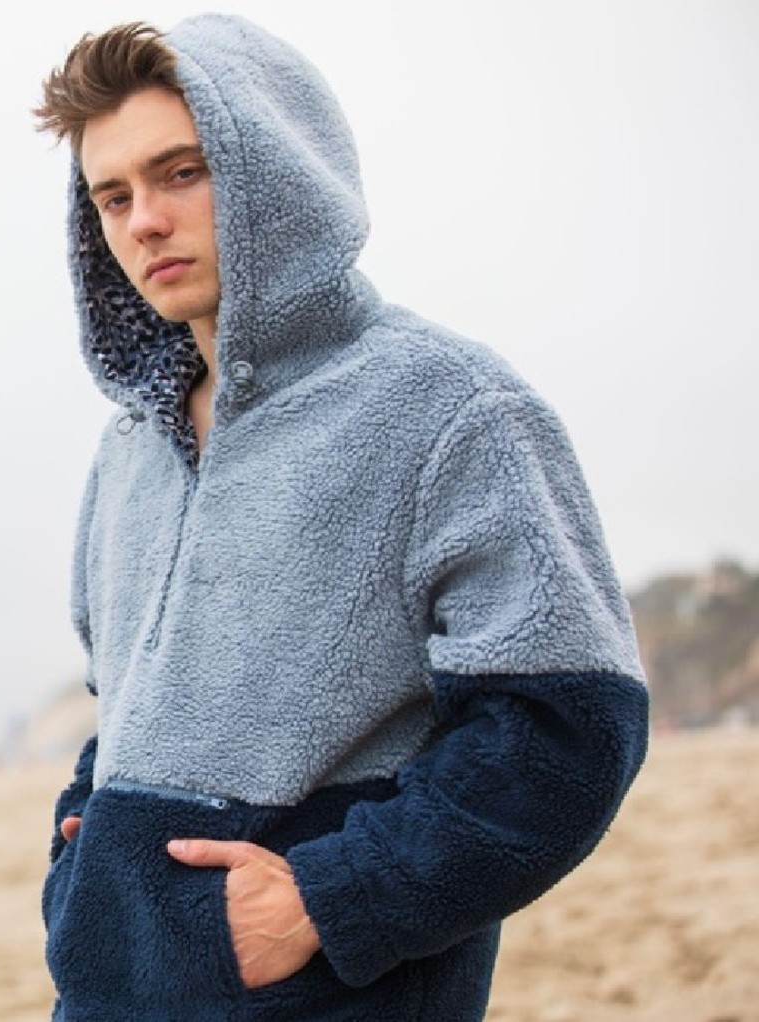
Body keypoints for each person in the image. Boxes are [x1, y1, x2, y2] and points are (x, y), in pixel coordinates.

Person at [33, 14, 649, 1022]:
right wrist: (80, 854)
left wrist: (331, 897)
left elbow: (566, 732)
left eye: (180, 171)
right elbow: (121, 712)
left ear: (274, 166)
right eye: (113, 194)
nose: (143, 219)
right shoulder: (127, 450)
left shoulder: (448, 407)